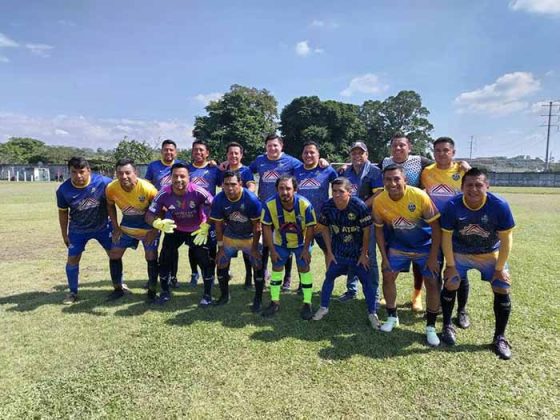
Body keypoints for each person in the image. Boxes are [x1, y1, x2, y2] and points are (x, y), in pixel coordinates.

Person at [439, 168, 515, 360]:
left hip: (489, 253)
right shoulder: (452, 205)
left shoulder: (499, 205)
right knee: (451, 282)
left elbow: (506, 239)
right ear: (462, 187)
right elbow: (446, 237)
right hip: (460, 252)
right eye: (469, 185)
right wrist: (450, 265)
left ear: (487, 186)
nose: (473, 189)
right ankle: (447, 325)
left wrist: (499, 268)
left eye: (478, 185)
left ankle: (499, 337)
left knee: (502, 286)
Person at [374, 164, 442, 347]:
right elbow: (378, 230)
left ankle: (430, 327)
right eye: (388, 179)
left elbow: (436, 227)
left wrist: (433, 257)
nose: (392, 183)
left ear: (405, 180)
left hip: (424, 246)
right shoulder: (379, 201)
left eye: (396, 179)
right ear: (383, 181)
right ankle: (392, 317)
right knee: (388, 276)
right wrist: (384, 258)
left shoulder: (419, 196)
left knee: (432, 282)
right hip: (399, 246)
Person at [313, 177, 380, 329]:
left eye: (341, 191)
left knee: (367, 282)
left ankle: (372, 313)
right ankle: (323, 307)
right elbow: (324, 228)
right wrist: (329, 252)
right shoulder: (328, 206)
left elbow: (367, 231)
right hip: (338, 253)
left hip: (357, 254)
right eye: (334, 191)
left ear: (350, 192)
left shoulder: (359, 206)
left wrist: (364, 254)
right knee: (329, 277)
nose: (337, 195)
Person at [146, 162, 215, 306]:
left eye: (182, 176)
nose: (179, 180)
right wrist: (157, 223)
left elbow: (215, 208)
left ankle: (207, 295)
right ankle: (165, 292)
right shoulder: (163, 193)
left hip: (197, 230)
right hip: (175, 229)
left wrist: (206, 225)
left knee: (205, 260)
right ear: (170, 177)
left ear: (189, 177)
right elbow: (149, 215)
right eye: (175, 176)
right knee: (164, 258)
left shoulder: (198, 191)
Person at [421, 137, 469, 328]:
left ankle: (462, 310)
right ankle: (437, 306)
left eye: (446, 150)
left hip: (458, 229)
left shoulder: (461, 170)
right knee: (435, 269)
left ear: (453, 152)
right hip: (435, 229)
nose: (441, 153)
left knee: (459, 271)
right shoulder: (427, 172)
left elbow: (480, 185)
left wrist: (469, 168)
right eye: (438, 150)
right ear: (433, 152)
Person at [56, 157, 114, 303]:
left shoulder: (104, 182)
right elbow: (63, 213)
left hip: (103, 226)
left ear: (89, 170)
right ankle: (72, 292)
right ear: (69, 172)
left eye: (82, 172)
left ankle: (119, 285)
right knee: (73, 258)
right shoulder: (63, 190)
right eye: (73, 172)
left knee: (114, 255)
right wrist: (64, 234)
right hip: (78, 229)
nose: (78, 176)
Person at [249, 134, 303, 290]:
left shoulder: (292, 162)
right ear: (265, 147)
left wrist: (322, 162)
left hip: (285, 210)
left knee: (287, 243)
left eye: (275, 145)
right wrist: (226, 164)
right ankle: (264, 274)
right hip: (265, 210)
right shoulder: (259, 160)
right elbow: (245, 171)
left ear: (281, 146)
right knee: (266, 243)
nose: (272, 148)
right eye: (269, 146)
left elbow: (308, 167)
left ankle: (287, 278)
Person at [260, 175, 316, 319]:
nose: (284, 192)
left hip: (301, 244)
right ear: (276, 189)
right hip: (280, 243)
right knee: (277, 268)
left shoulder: (305, 205)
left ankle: (307, 303)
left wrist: (306, 250)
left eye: (288, 188)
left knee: (304, 269)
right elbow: (266, 228)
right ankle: (274, 302)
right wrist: (272, 250)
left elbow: (311, 228)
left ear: (295, 190)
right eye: (281, 188)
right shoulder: (269, 204)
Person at [106, 158, 159, 302]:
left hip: (148, 229)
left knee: (151, 257)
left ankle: (152, 292)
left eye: (127, 173)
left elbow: (161, 209)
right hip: (127, 227)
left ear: (135, 172)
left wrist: (155, 231)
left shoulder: (148, 189)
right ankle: (118, 289)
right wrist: (116, 227)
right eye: (120, 173)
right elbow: (110, 205)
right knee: (114, 254)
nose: (124, 176)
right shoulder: (111, 188)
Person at [210, 170, 264, 311]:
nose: (230, 188)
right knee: (221, 262)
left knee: (258, 264)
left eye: (233, 184)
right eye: (226, 184)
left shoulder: (251, 199)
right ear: (222, 185)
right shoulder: (218, 199)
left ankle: (258, 299)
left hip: (250, 236)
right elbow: (218, 226)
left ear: (240, 183)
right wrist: (221, 248)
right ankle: (224, 296)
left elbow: (257, 226)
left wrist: (254, 249)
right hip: (231, 235)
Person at [338, 141, 383, 303]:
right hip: (349, 221)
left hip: (367, 220)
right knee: (351, 254)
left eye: (360, 152)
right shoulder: (345, 172)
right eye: (354, 153)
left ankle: (374, 294)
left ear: (367, 154)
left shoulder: (375, 171)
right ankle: (351, 290)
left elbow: (379, 193)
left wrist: (360, 207)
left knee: (369, 256)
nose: (357, 155)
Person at [144, 139, 184, 288]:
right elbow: (146, 186)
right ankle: (153, 278)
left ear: (176, 152)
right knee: (152, 246)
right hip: (156, 212)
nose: (168, 152)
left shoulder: (181, 166)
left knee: (171, 247)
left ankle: (173, 277)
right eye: (166, 149)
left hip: (174, 213)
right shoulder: (153, 166)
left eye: (171, 150)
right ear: (161, 151)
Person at [293, 141, 338, 273]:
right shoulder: (296, 170)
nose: (308, 155)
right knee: (303, 252)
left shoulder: (327, 170)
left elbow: (340, 184)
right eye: (306, 152)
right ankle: (304, 282)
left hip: (322, 221)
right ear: (302, 155)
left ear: (318, 154)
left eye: (312, 152)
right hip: (302, 221)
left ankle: (329, 279)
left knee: (328, 251)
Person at [222, 142, 257, 290]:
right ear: (227, 155)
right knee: (228, 244)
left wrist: (244, 197)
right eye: (231, 153)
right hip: (227, 212)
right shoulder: (223, 170)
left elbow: (252, 186)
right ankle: (225, 275)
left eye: (236, 153)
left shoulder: (246, 170)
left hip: (244, 212)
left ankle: (249, 276)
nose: (233, 156)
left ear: (241, 155)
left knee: (246, 246)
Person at [187, 140, 221, 287]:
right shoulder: (187, 169)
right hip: (191, 215)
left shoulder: (214, 170)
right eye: (195, 150)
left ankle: (211, 275)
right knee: (193, 246)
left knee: (211, 246)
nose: (198, 152)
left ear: (207, 153)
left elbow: (224, 183)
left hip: (210, 215)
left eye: (201, 150)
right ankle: (194, 273)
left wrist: (218, 165)